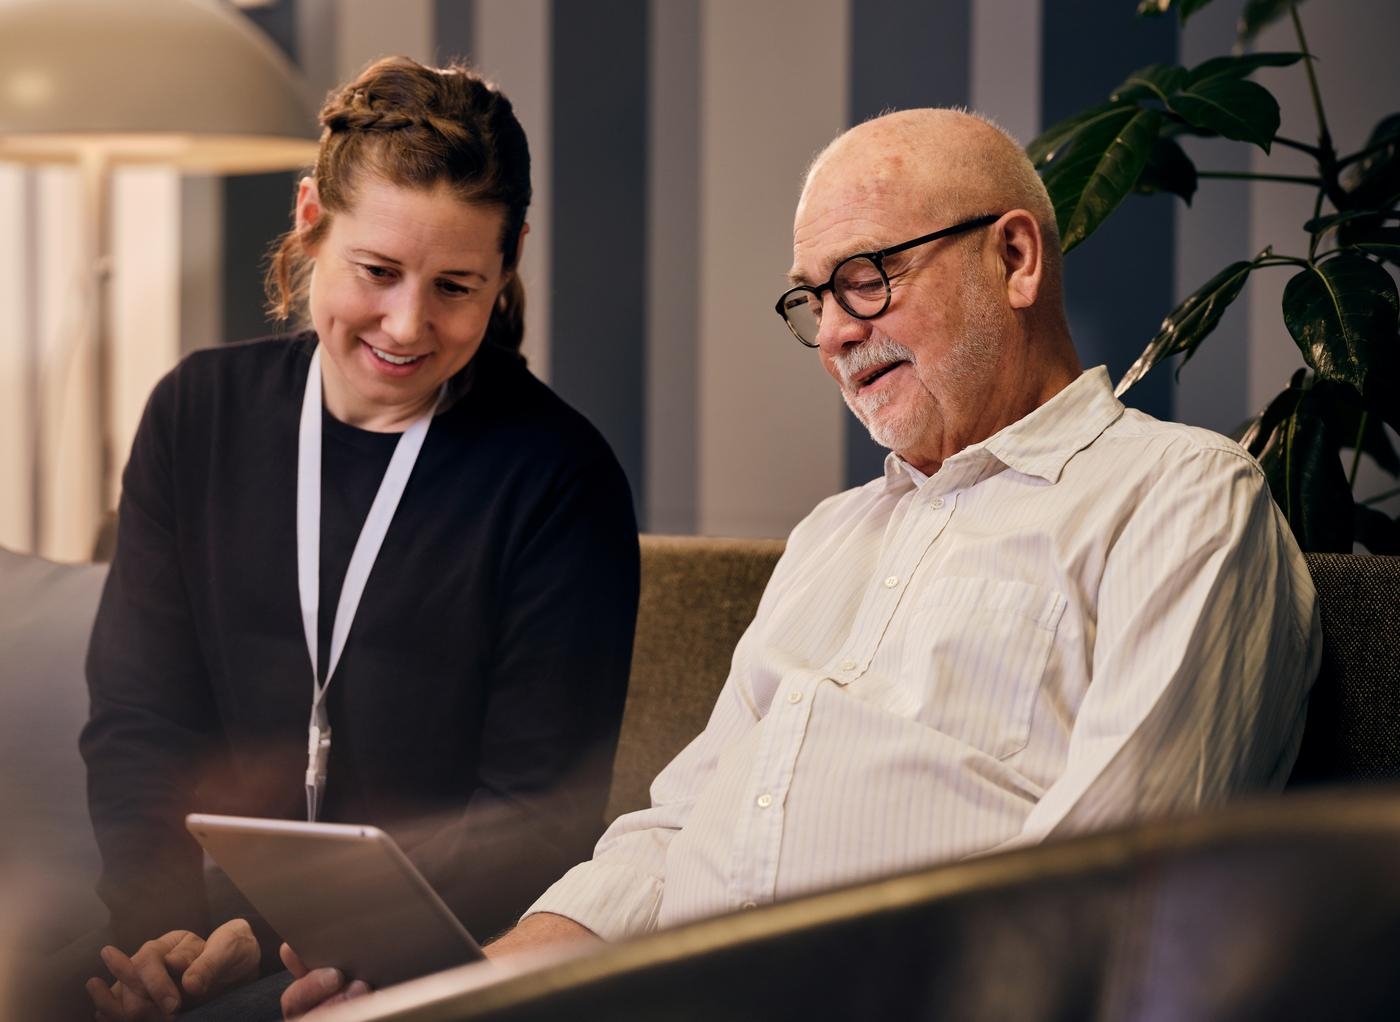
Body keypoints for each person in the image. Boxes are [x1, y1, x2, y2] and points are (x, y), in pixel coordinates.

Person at [284, 106, 1321, 1018]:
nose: (831, 333)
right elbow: (669, 831)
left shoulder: (1177, 500)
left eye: (864, 279)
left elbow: (1102, 898)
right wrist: (472, 987)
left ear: (1013, 258)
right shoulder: (832, 536)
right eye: (810, 299)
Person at [78, 55, 640, 1021]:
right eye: (376, 271)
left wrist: (275, 945)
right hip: (189, 943)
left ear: (510, 261)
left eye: (457, 286)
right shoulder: (195, 413)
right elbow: (140, 723)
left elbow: (534, 819)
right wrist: (158, 938)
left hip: (427, 962)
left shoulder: (559, 477)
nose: (408, 324)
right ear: (310, 220)